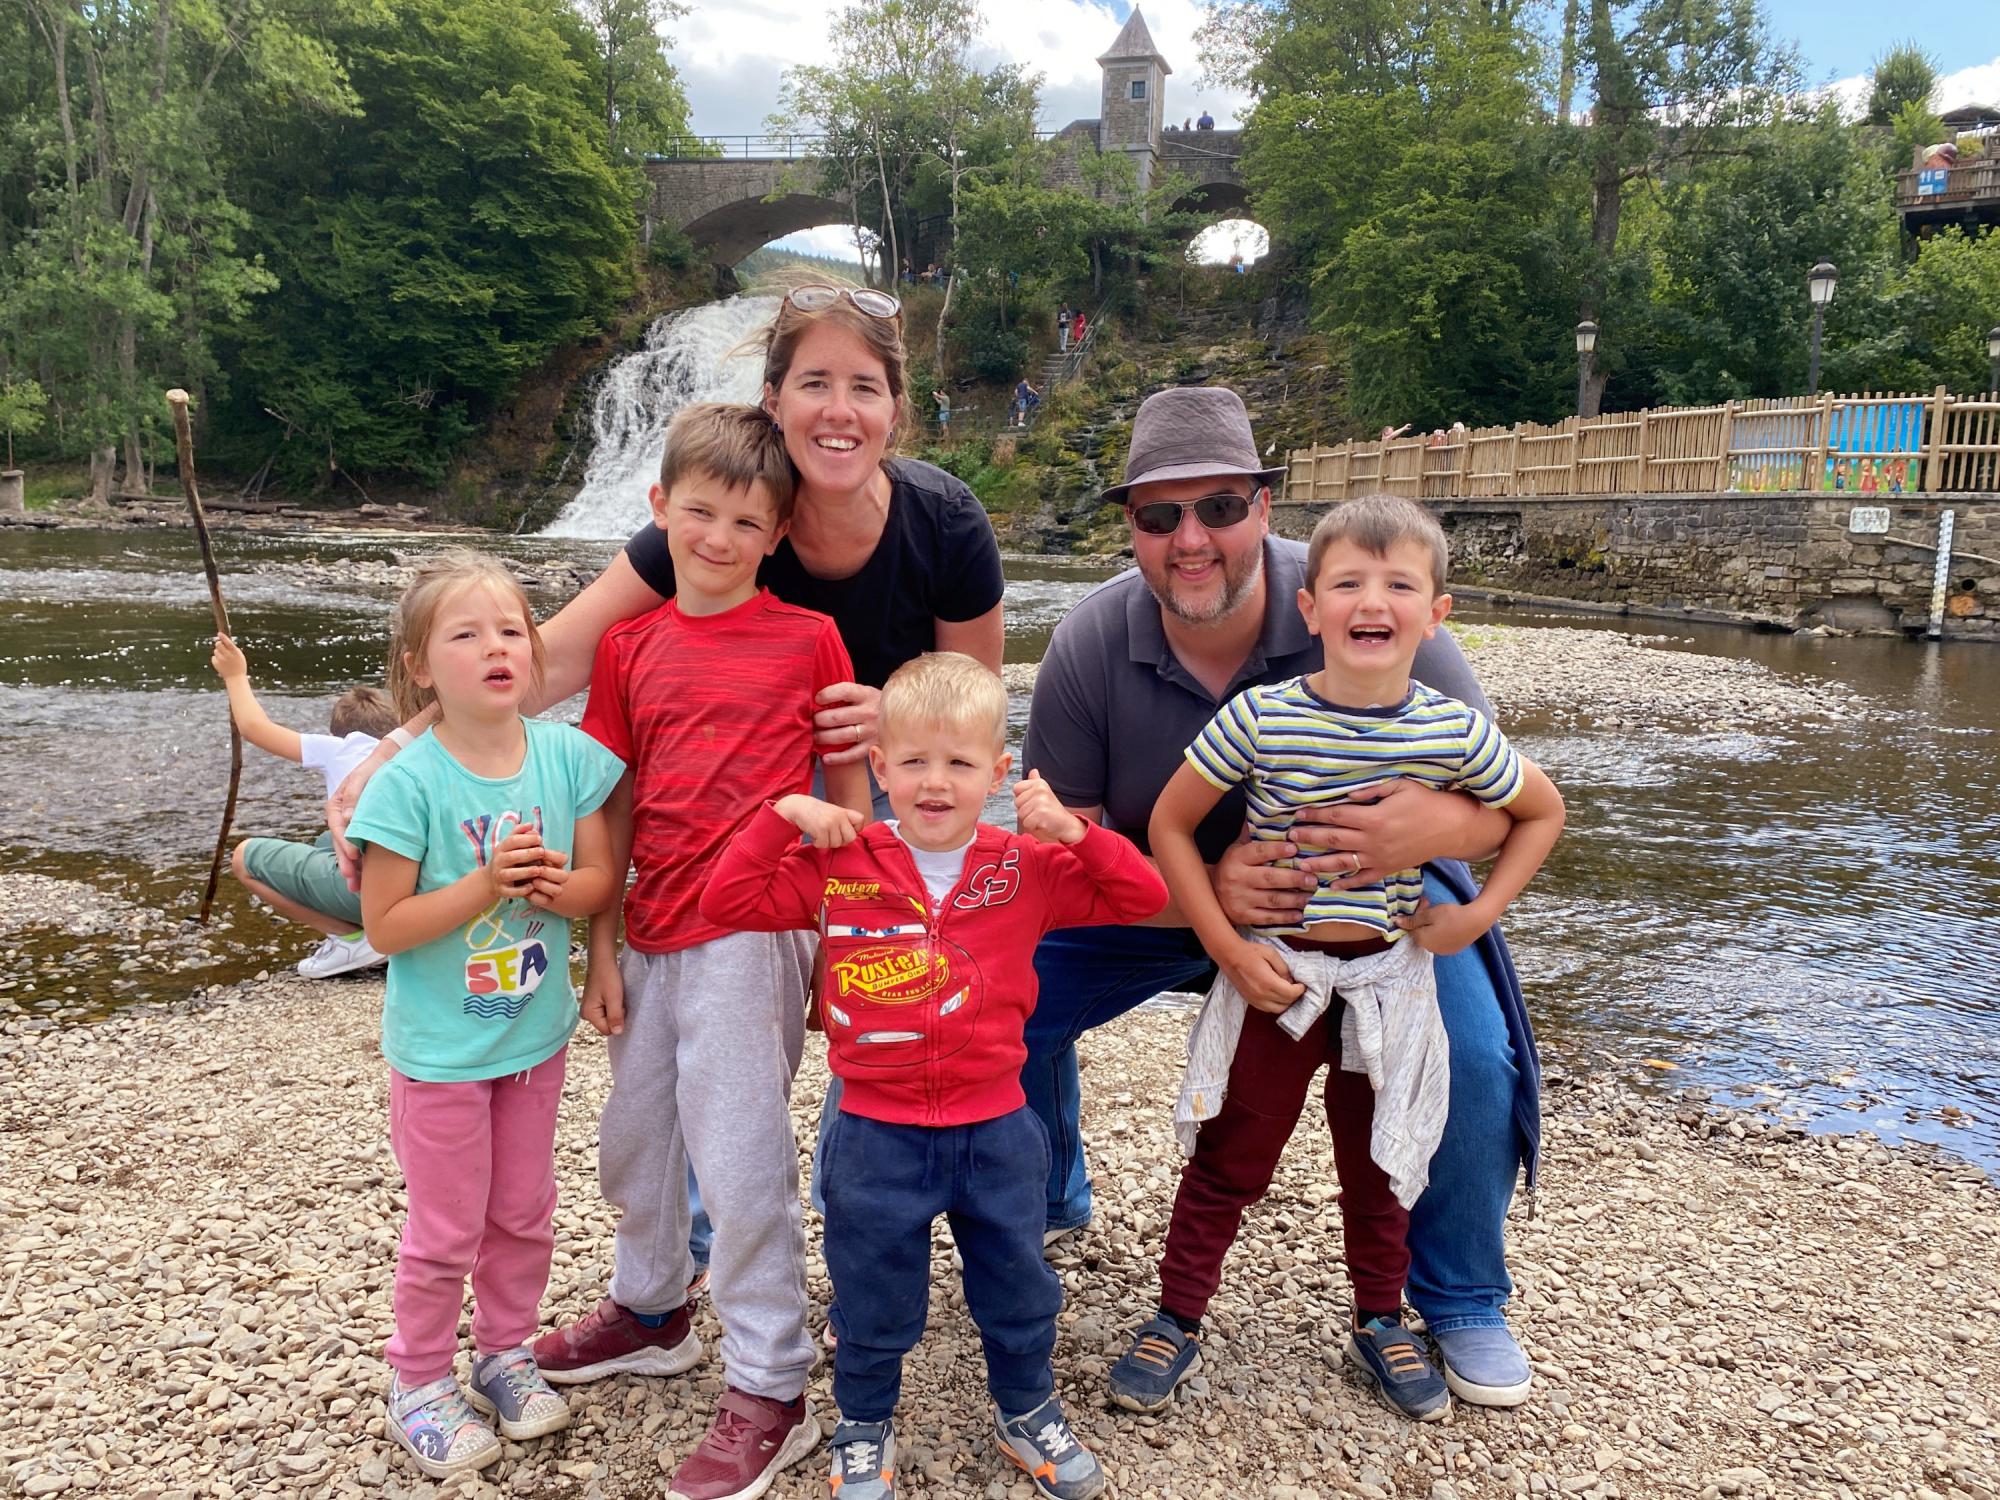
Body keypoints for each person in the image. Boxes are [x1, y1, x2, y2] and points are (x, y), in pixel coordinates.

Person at [1021, 385, 1545, 1409]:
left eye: (1218, 507)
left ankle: (1460, 1296)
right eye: (1158, 514)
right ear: (1129, 525)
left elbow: (1503, 806)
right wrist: (1206, 907)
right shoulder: (1087, 644)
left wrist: (1435, 832)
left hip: (1365, 906)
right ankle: (1036, 1199)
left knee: (1475, 1053)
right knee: (1006, 992)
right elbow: (1055, 864)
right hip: (1154, 899)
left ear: (1264, 508)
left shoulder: (1369, 601)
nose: (1190, 539)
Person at [699, 653, 1168, 1500]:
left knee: (1019, 1282)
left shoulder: (1025, 867)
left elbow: (1142, 894)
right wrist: (782, 817)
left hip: (998, 1128)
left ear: (996, 772)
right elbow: (724, 904)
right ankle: (863, 1420)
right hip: (874, 1132)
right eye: (913, 761)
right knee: (871, 1292)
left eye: (959, 763)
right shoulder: (842, 863)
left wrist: (1075, 832)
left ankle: (1026, 1408)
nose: (935, 782)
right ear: (880, 767)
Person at [530, 404, 872, 1500]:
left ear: (775, 534)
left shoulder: (808, 638)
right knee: (633, 1144)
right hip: (653, 926)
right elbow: (611, 804)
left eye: (743, 520)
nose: (717, 537)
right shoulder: (627, 650)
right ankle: (652, 1309)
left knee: (738, 1159)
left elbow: (845, 790)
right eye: (699, 512)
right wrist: (600, 943)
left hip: (756, 929)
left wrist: (846, 940)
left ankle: (772, 1388)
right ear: (657, 508)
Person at [345, 551, 623, 1479]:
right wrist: (483, 886)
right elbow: (385, 925)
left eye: (512, 630)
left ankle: (503, 1353)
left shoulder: (568, 756)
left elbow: (598, 881)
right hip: (441, 1054)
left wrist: (559, 886)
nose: (496, 648)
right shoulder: (408, 783)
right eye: (466, 635)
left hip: (531, 1042)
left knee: (524, 1210)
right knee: (446, 1226)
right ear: (421, 667)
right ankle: (416, 1379)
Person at [211, 636, 399, 977]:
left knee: (244, 858)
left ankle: (353, 939)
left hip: (378, 893)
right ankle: (383, 932)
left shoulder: (340, 748)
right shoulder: (412, 749)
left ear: (338, 734)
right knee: (326, 844)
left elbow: (255, 728)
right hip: (412, 890)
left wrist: (235, 676)